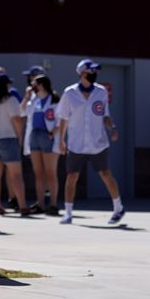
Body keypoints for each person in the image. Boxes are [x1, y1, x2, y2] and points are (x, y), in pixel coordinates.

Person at [55, 59, 124, 224]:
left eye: (95, 72)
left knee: (105, 174)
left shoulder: (101, 92)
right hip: (76, 142)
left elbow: (105, 115)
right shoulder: (69, 93)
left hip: (97, 141)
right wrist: (61, 140)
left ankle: (118, 208)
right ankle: (68, 213)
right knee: (72, 176)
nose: (95, 74)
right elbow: (63, 118)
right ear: (82, 73)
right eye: (91, 71)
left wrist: (112, 128)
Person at [0, 73, 31, 215]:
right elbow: (17, 120)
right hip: (8, 138)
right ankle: (22, 205)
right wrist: (20, 137)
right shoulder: (11, 100)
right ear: (6, 85)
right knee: (16, 175)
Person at [25, 74, 61, 215]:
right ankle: (40, 203)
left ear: (41, 85)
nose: (32, 86)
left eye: (34, 83)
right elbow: (23, 112)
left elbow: (61, 119)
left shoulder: (54, 99)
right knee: (38, 173)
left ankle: (52, 204)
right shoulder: (33, 100)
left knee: (50, 172)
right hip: (34, 135)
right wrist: (26, 97)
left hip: (48, 134)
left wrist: (53, 133)